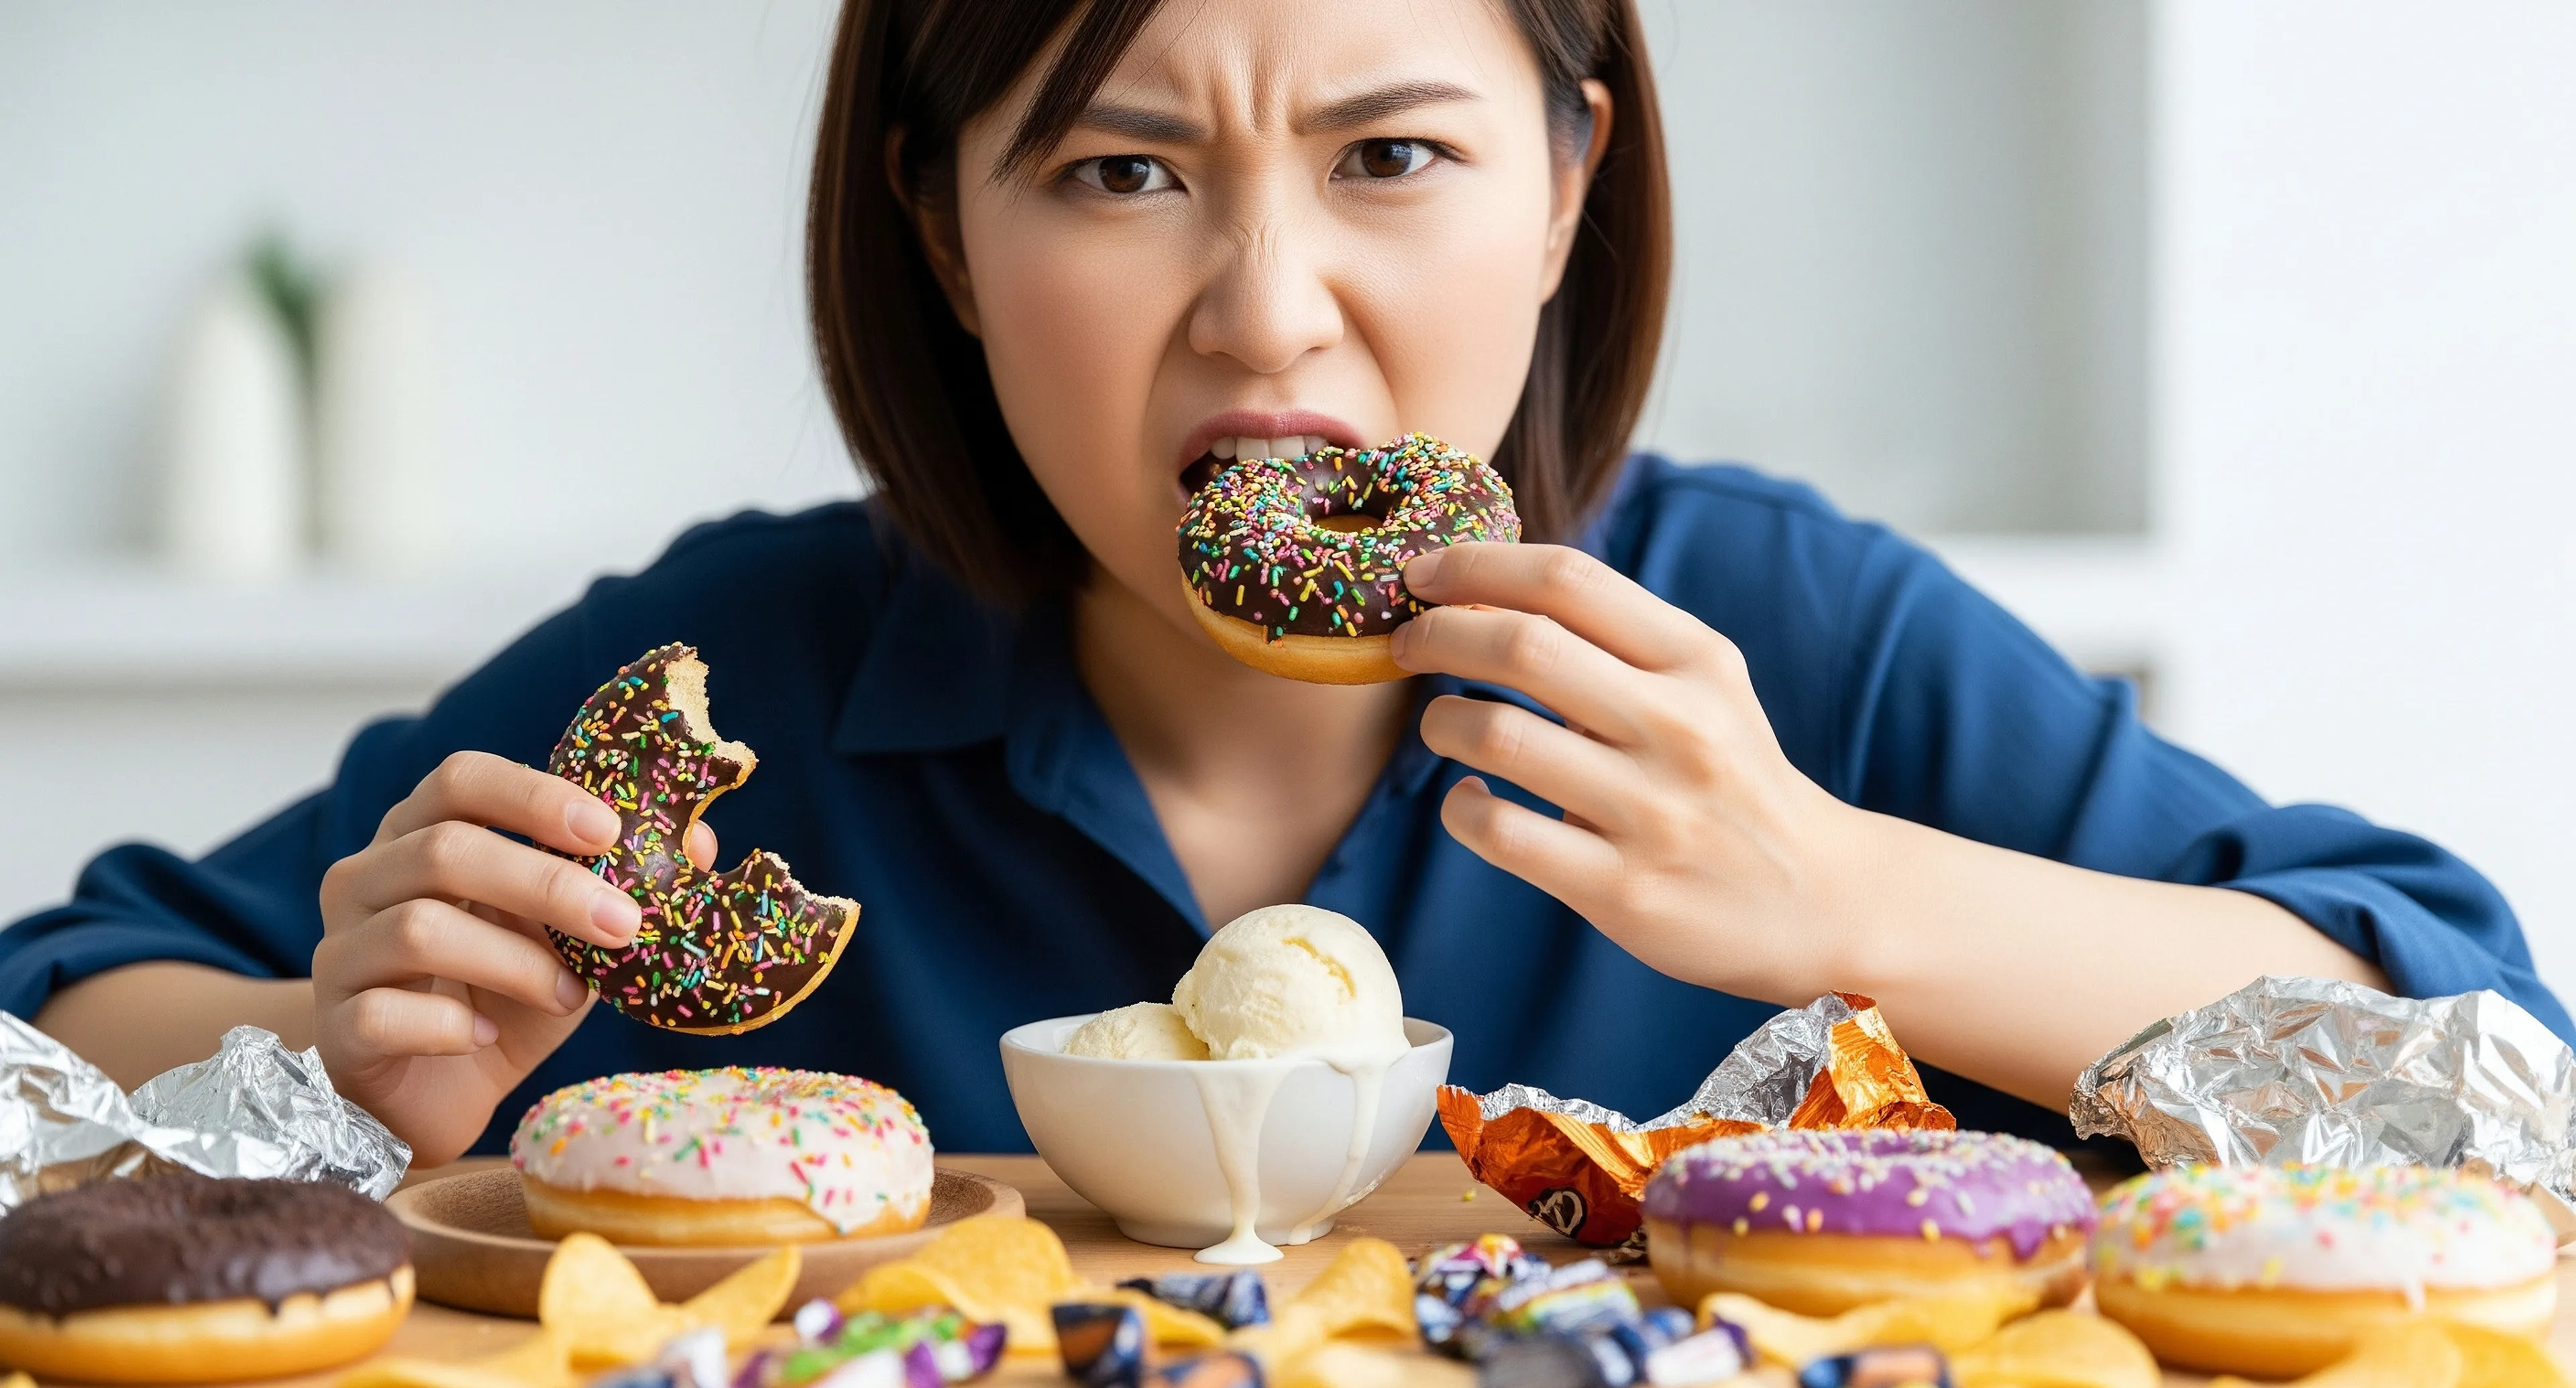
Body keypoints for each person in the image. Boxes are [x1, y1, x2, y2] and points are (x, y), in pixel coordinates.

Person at [8, 0, 2563, 1167]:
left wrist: (1837, 888)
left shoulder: (1781, 646)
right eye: (1121, 172)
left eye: (1396, 156)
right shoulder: (753, 680)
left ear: (1571, 182)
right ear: (943, 226)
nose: (1266, 308)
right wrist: (320, 1062)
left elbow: (2481, 1048)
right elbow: (53, 996)